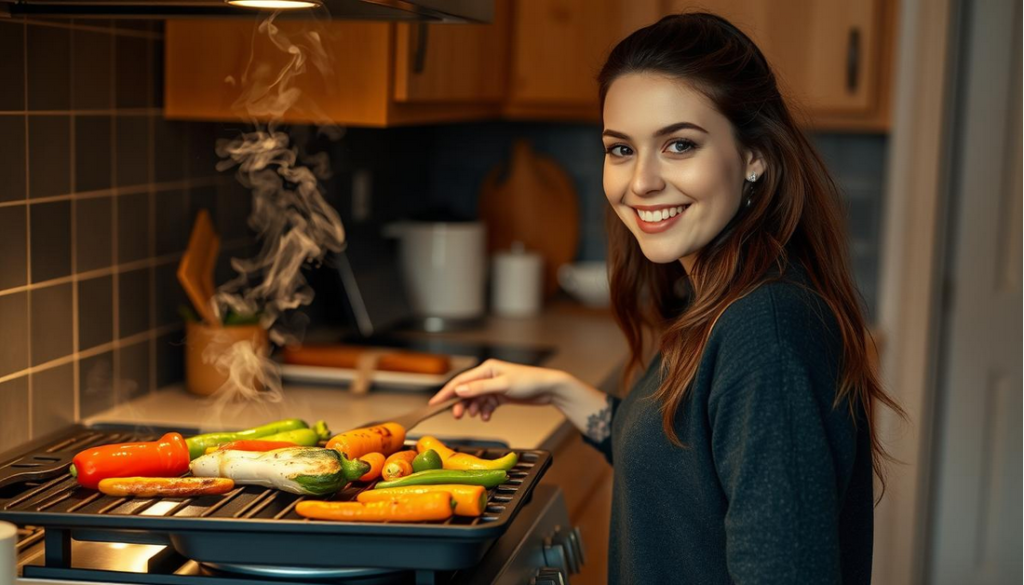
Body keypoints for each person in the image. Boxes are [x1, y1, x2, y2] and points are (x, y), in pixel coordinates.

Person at [429, 11, 903, 584]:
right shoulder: (726, 299)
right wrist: (560, 390)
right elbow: (684, 469)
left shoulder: (767, 334)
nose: (642, 182)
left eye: (679, 144)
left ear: (755, 156)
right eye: (620, 149)